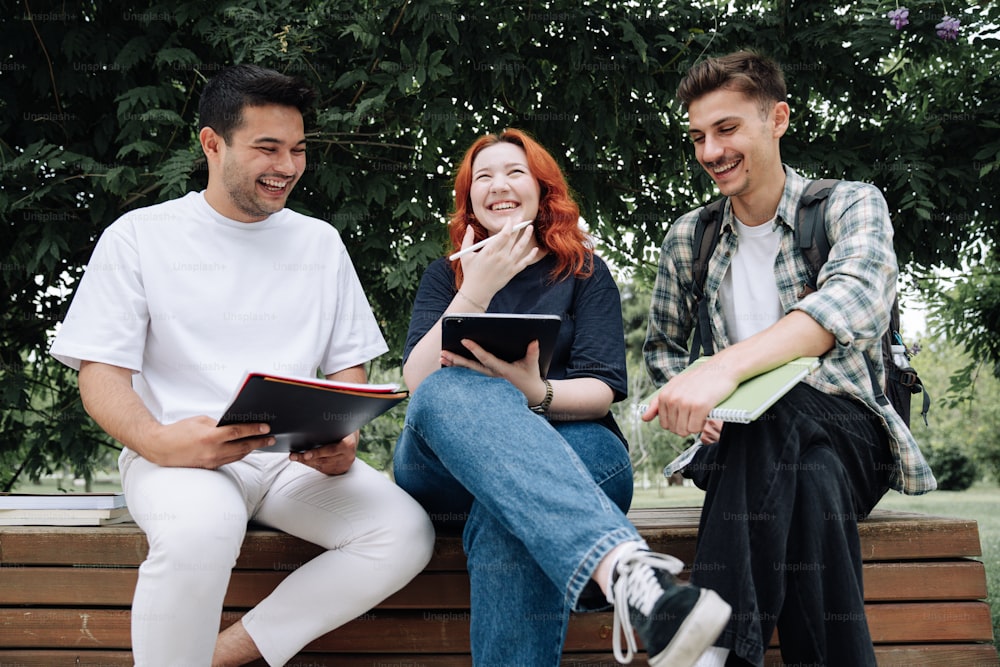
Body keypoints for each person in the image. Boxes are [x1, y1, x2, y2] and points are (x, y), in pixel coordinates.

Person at [49, 64, 435, 667]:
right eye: (267, 148)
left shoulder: (319, 243)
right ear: (212, 144)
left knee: (403, 533)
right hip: (182, 457)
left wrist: (343, 433)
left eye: (298, 149)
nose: (287, 165)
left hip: (292, 462)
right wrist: (158, 441)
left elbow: (345, 366)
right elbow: (99, 374)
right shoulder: (139, 237)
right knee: (199, 534)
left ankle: (217, 656)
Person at [393, 128, 731, 667]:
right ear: (470, 199)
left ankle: (634, 580)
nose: (498, 185)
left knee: (510, 518)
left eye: (514, 172)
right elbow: (419, 383)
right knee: (445, 387)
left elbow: (600, 391)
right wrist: (474, 290)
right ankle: (624, 565)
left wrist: (533, 390)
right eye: (483, 177)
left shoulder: (584, 273)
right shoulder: (447, 274)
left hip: (577, 444)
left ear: (541, 188)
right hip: (445, 469)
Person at [642, 51, 937, 667]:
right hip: (744, 449)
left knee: (778, 411)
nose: (710, 151)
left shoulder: (850, 205)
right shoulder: (688, 239)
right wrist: (701, 411)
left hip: (853, 428)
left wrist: (725, 369)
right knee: (810, 478)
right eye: (697, 136)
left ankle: (713, 648)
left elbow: (850, 303)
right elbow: (664, 351)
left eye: (727, 129)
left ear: (776, 119)